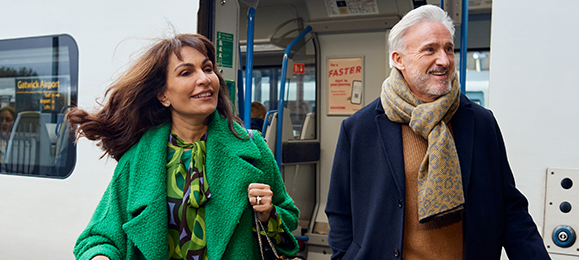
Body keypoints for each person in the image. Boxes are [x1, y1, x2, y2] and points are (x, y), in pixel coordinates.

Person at [325, 5, 548, 259]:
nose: (444, 60)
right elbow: (340, 211)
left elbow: (511, 209)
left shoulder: (480, 122)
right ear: (399, 60)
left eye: (448, 49)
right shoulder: (360, 128)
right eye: (430, 49)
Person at [69, 33, 300, 260]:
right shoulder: (139, 159)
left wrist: (268, 214)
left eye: (208, 69)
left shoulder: (251, 147)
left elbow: (288, 224)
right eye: (186, 72)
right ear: (163, 95)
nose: (204, 79)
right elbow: (99, 238)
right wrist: (100, 256)